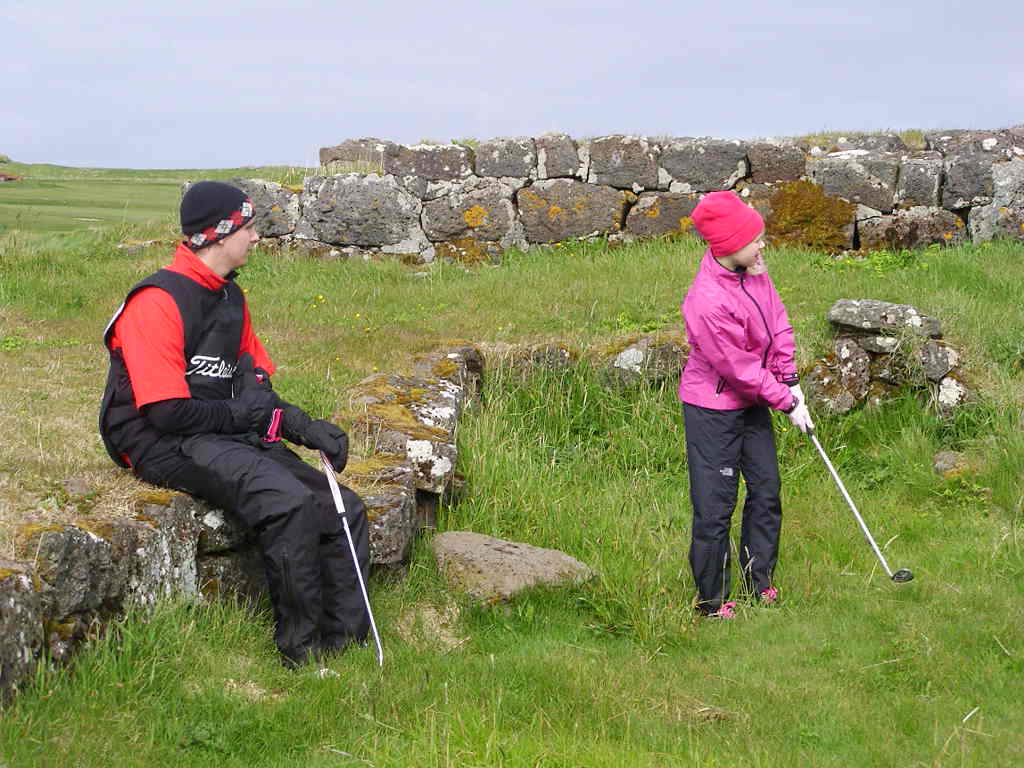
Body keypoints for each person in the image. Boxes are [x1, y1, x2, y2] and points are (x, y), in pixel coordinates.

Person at [99, 181, 370, 666]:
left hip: (216, 429)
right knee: (287, 503)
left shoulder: (230, 298)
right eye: (248, 227)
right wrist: (239, 417)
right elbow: (165, 412)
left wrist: (305, 429)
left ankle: (347, 643)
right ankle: (302, 651)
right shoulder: (156, 301)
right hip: (156, 438)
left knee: (342, 506)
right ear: (219, 234)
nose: (256, 236)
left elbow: (254, 391)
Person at [678, 191, 814, 619]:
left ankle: (760, 581)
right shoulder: (706, 300)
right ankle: (712, 601)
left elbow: (778, 323)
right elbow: (738, 368)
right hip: (713, 409)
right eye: (754, 239)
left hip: (754, 400)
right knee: (716, 507)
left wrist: (790, 379)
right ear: (728, 244)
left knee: (766, 490)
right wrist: (786, 401)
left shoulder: (753, 272)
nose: (761, 245)